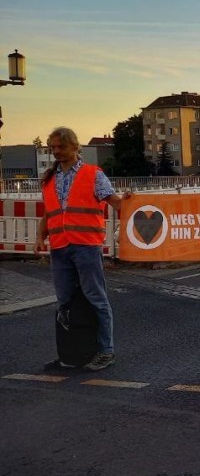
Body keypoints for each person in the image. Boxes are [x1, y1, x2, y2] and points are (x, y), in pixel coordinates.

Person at [35, 127, 126, 371]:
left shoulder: (93, 175)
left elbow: (115, 202)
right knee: (64, 302)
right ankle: (70, 352)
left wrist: (135, 208)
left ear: (75, 147)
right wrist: (39, 237)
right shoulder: (49, 178)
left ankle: (106, 351)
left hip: (86, 245)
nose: (56, 152)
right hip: (60, 246)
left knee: (96, 298)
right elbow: (49, 212)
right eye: (52, 148)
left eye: (60, 147)